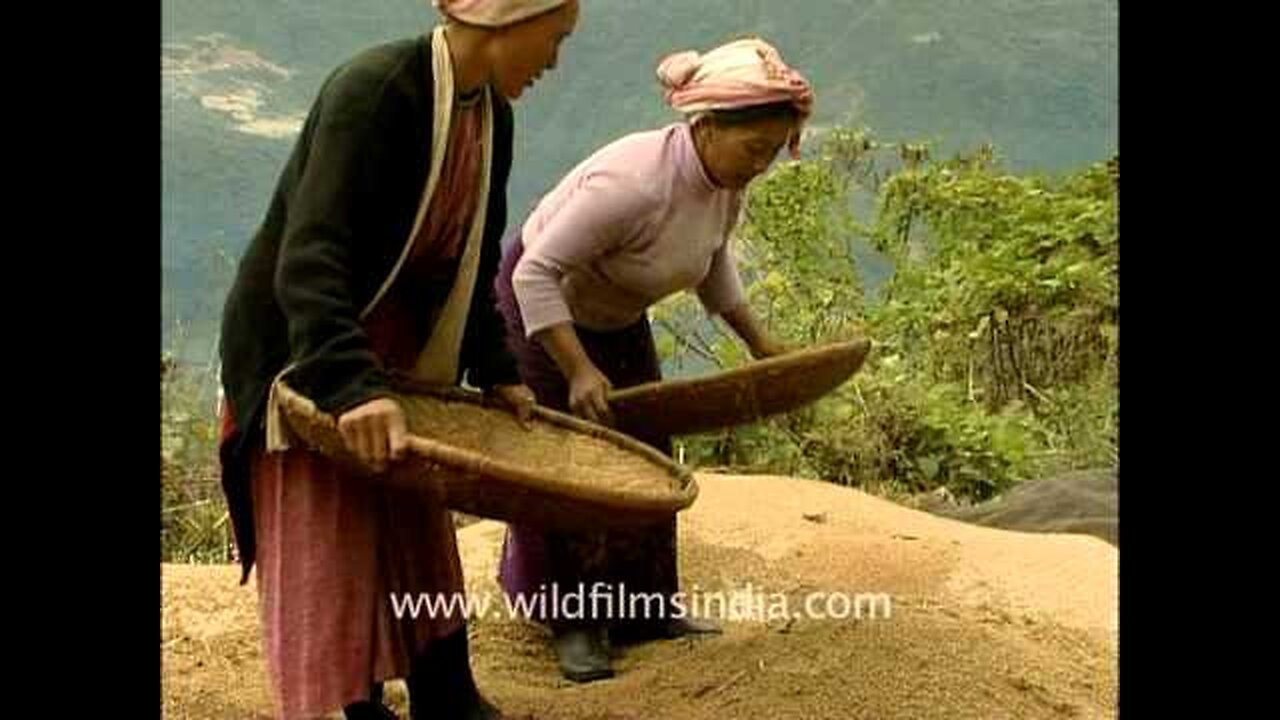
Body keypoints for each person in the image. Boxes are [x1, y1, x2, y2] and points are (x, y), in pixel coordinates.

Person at [216, 1, 580, 718]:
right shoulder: (377, 89)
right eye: (556, 38)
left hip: (400, 356)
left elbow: (469, 261)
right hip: (309, 349)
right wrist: (351, 388)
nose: (555, 61)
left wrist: (497, 368)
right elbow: (309, 257)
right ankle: (352, 703)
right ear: (509, 17)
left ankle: (445, 692)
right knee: (334, 540)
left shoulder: (487, 118)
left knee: (417, 527)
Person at [493, 36, 814, 682]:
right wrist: (578, 369)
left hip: (616, 315)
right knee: (565, 463)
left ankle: (643, 606)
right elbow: (534, 274)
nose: (762, 164)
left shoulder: (726, 182)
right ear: (707, 126)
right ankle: (574, 621)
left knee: (646, 453)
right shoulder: (632, 183)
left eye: (772, 152)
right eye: (754, 148)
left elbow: (711, 259)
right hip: (540, 311)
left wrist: (760, 342)